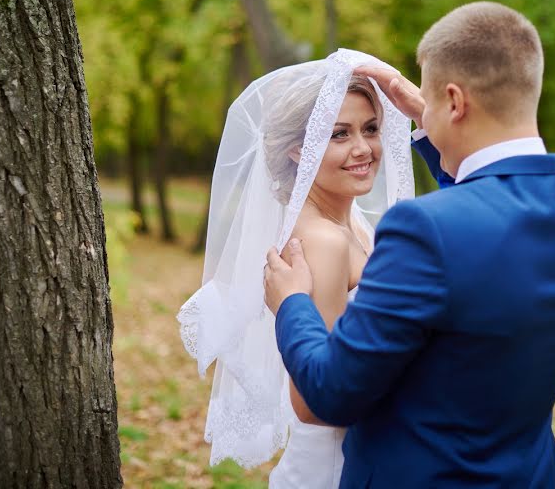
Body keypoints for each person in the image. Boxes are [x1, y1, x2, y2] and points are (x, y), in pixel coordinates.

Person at [264, 1, 555, 487]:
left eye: (427, 100)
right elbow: (488, 223)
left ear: (454, 101)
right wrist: (429, 126)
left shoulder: (424, 230)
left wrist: (292, 303)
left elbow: (328, 396)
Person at [177, 49, 414, 487]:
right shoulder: (322, 242)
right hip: (335, 467)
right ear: (297, 150)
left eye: (371, 129)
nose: (363, 149)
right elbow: (317, 398)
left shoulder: (351, 223)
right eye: (339, 134)